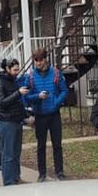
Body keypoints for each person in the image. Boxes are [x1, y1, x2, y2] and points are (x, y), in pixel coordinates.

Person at [19, 49, 69, 181]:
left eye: (40, 60)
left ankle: (60, 172)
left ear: (46, 59)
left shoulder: (56, 73)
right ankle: (42, 174)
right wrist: (38, 96)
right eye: (36, 60)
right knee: (41, 145)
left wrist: (56, 102)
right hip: (40, 115)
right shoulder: (29, 77)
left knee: (57, 144)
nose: (38, 63)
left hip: (54, 114)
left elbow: (64, 90)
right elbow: (26, 97)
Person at [0, 59, 29, 186]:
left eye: (18, 70)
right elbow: (2, 102)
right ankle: (8, 181)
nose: (17, 73)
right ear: (7, 69)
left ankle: (16, 177)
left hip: (16, 120)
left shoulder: (13, 81)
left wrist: (25, 116)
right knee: (8, 153)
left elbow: (17, 104)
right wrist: (18, 93)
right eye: (15, 70)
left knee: (16, 152)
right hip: (6, 121)